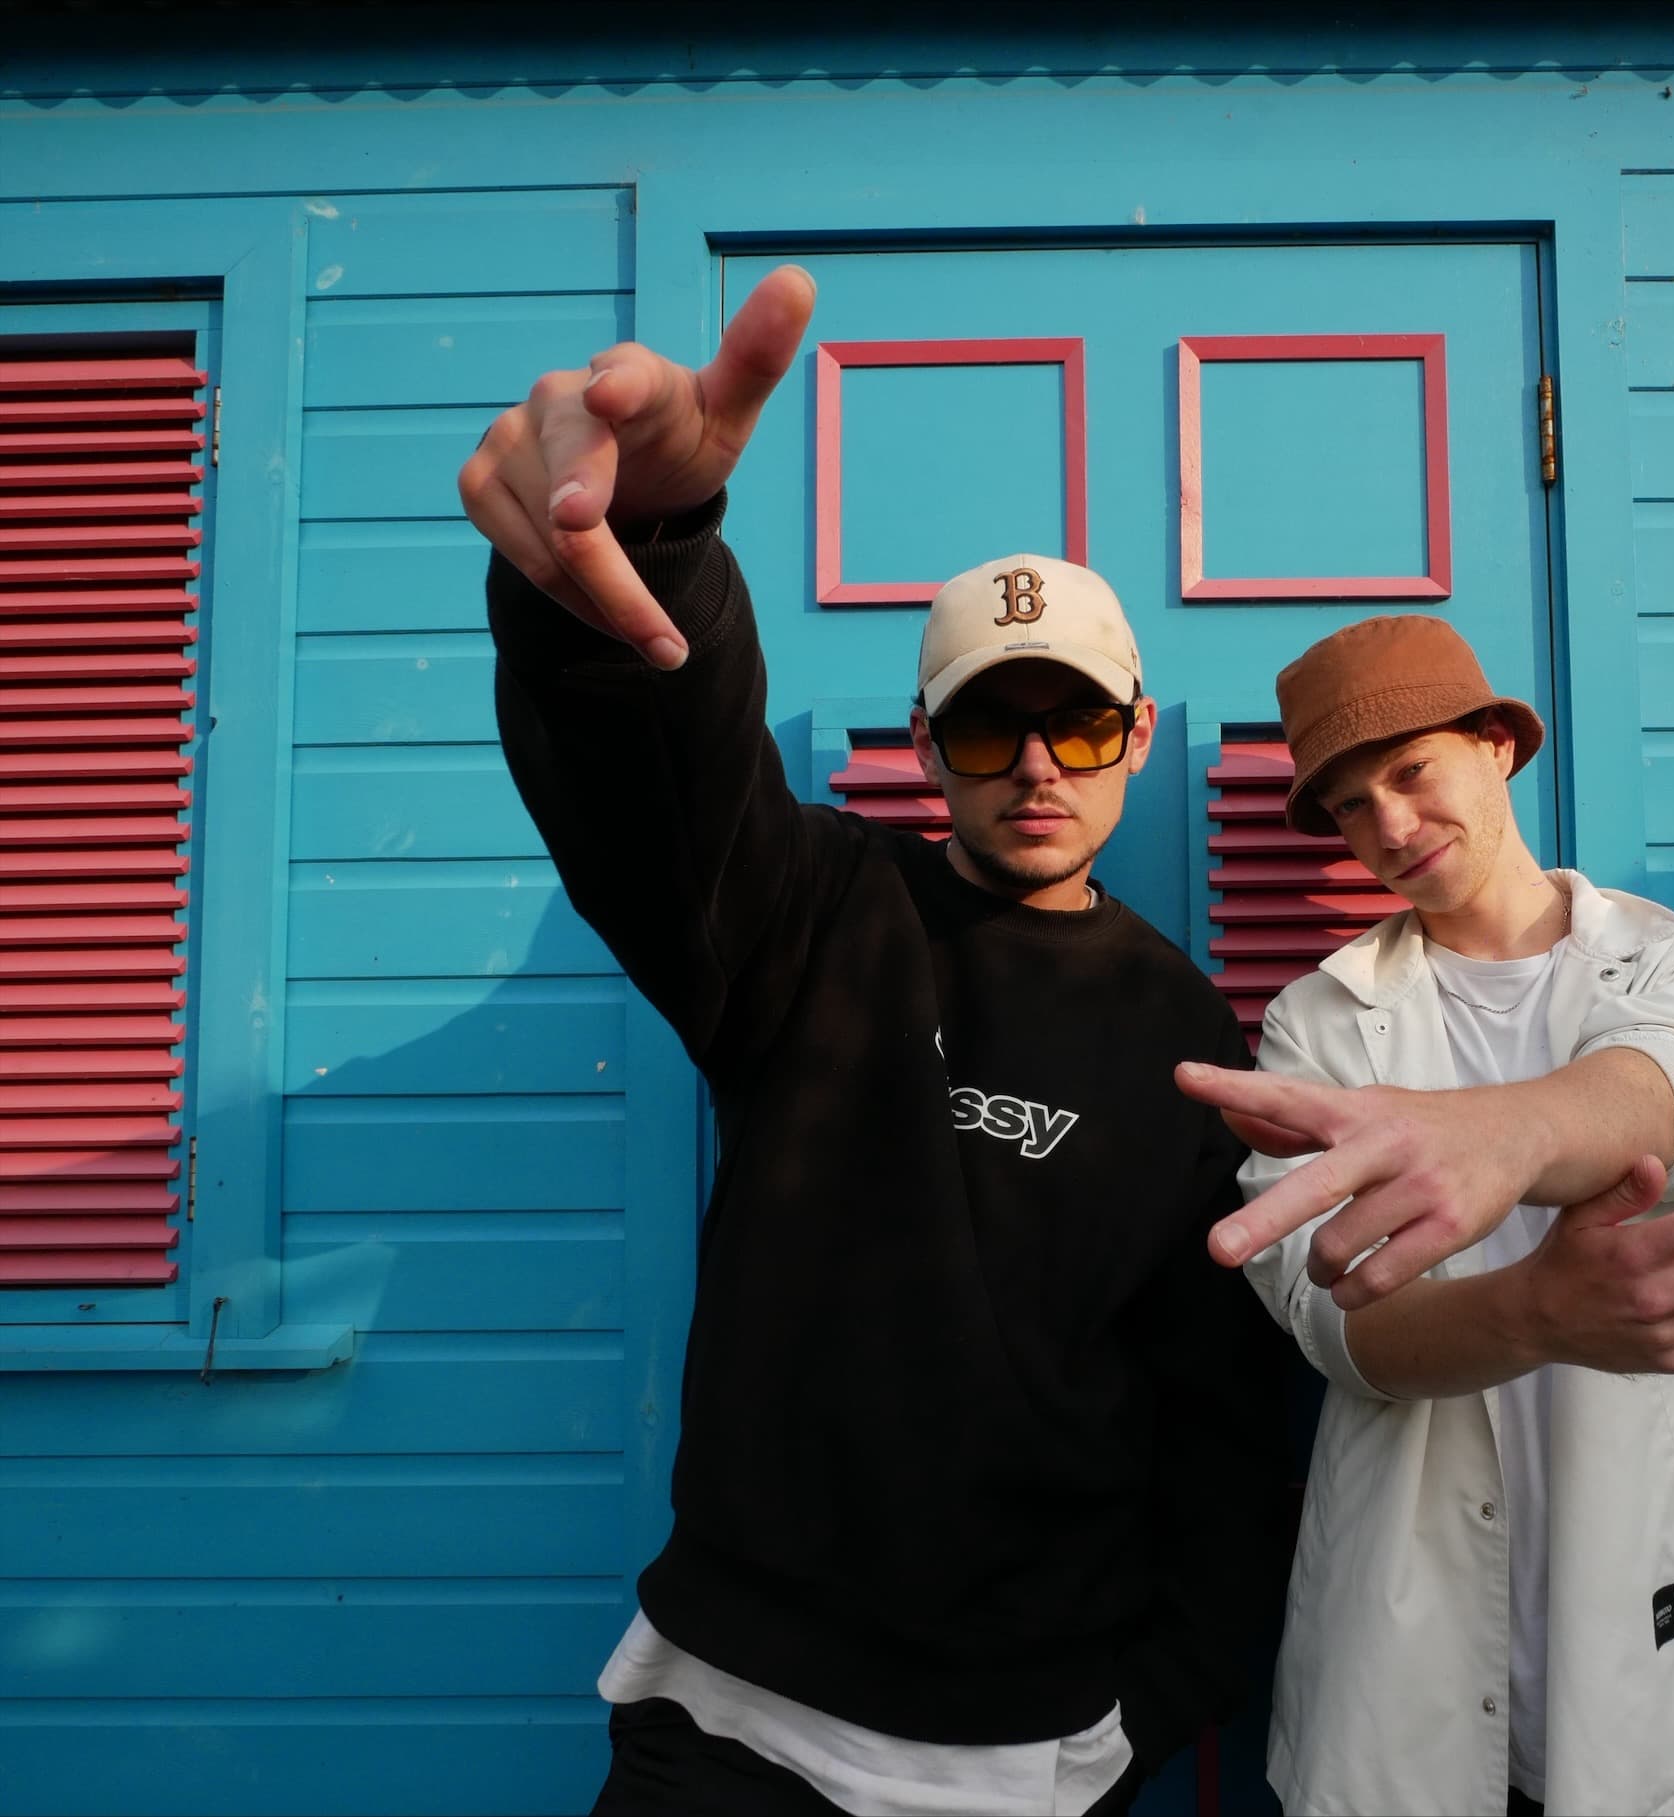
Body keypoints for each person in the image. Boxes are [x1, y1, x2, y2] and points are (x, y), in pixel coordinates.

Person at [459, 264, 1290, 1817]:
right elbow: (660, 781)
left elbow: (1227, 1417)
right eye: (988, 726)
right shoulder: (814, 910)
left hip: (1026, 1756)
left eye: (1080, 723)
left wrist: (1153, 1707)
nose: (1036, 767)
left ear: (1142, 732)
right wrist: (646, 550)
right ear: (924, 749)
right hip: (724, 1721)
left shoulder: (1186, 1025)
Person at [1175, 614, 1674, 1817]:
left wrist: (1500, 1137)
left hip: (1670, 1628)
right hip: (1407, 1650)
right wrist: (1533, 1312)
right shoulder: (1316, 1023)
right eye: (1346, 803)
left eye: (1409, 769)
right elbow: (1336, 1333)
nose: (1386, 825)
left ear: (1496, 744)